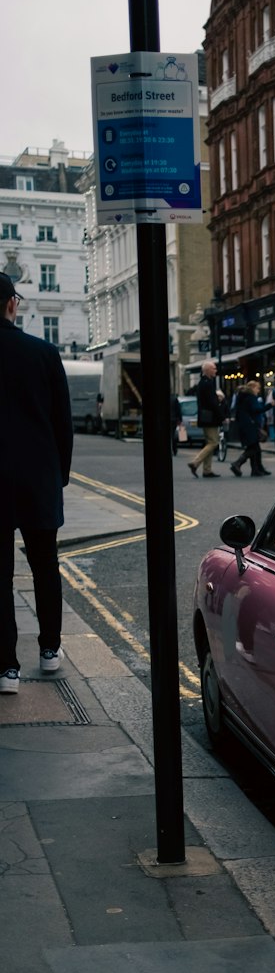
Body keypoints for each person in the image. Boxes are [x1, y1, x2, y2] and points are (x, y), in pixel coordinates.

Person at [0, 272, 73, 693]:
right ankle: (49, 651)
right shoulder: (43, 353)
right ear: (12, 304)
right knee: (46, 567)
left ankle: (6, 667)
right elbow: (63, 424)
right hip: (38, 478)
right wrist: (57, 476)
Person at [188, 359, 225, 477]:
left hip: (205, 417)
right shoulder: (207, 383)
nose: (216, 370)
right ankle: (195, 462)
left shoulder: (204, 382)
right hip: (210, 418)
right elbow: (212, 403)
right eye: (214, 368)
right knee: (214, 442)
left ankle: (207, 470)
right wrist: (221, 415)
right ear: (208, 370)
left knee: (209, 442)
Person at [229, 380, 271, 477]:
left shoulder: (242, 396)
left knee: (254, 447)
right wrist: (269, 406)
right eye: (257, 388)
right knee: (253, 448)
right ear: (252, 388)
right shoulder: (251, 397)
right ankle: (237, 464)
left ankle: (256, 469)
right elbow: (256, 410)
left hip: (244, 425)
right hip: (250, 425)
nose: (258, 390)